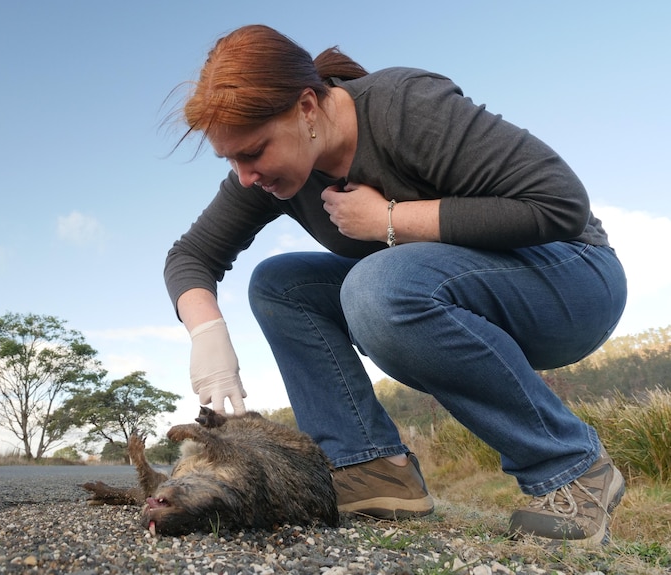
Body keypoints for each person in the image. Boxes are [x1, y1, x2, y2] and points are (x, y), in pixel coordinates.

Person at [163, 24, 627, 546]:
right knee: (280, 284)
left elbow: (559, 204)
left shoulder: (405, 105)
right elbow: (191, 255)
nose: (245, 175)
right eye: (231, 160)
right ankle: (371, 469)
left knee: (376, 285)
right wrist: (207, 334)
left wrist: (391, 219)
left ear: (307, 108)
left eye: (253, 152)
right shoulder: (271, 177)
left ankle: (574, 472)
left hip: (571, 278)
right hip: (445, 291)